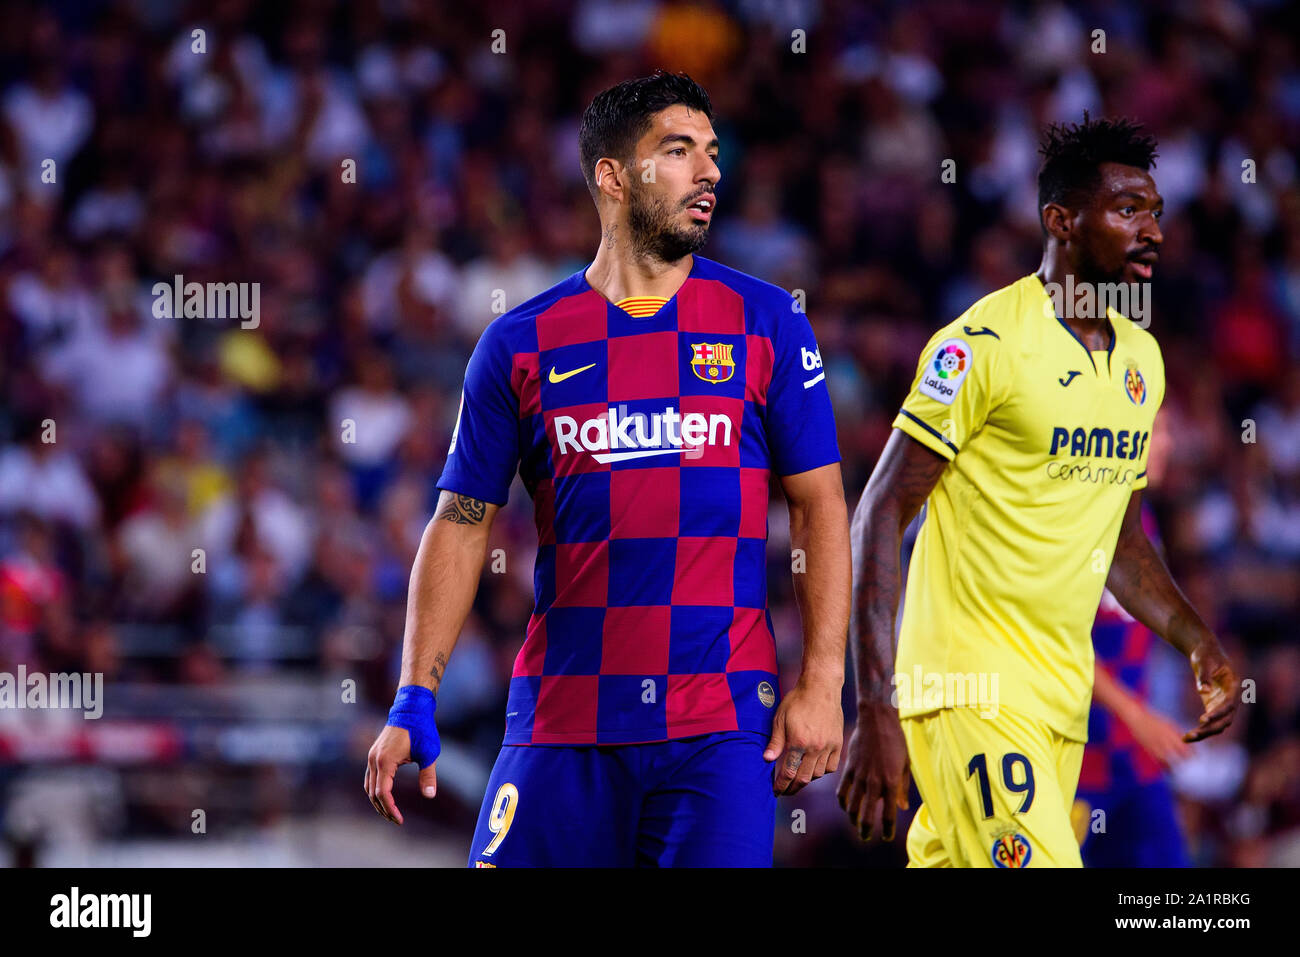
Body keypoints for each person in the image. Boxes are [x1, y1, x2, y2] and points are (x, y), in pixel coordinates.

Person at [364, 71, 850, 867]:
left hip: (717, 724)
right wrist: (414, 692)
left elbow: (821, 505)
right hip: (562, 720)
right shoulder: (520, 343)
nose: (710, 172)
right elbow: (460, 521)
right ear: (614, 176)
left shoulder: (766, 323)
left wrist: (822, 682)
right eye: (680, 150)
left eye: (713, 154)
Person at [837, 114, 1238, 867]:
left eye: (1155, 211)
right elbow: (882, 511)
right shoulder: (980, 346)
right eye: (1127, 210)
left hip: (1059, 706)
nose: (1150, 229)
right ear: (1061, 220)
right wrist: (875, 705)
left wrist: (1196, 639)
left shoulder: (1142, 363)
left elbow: (1119, 545)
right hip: (969, 688)